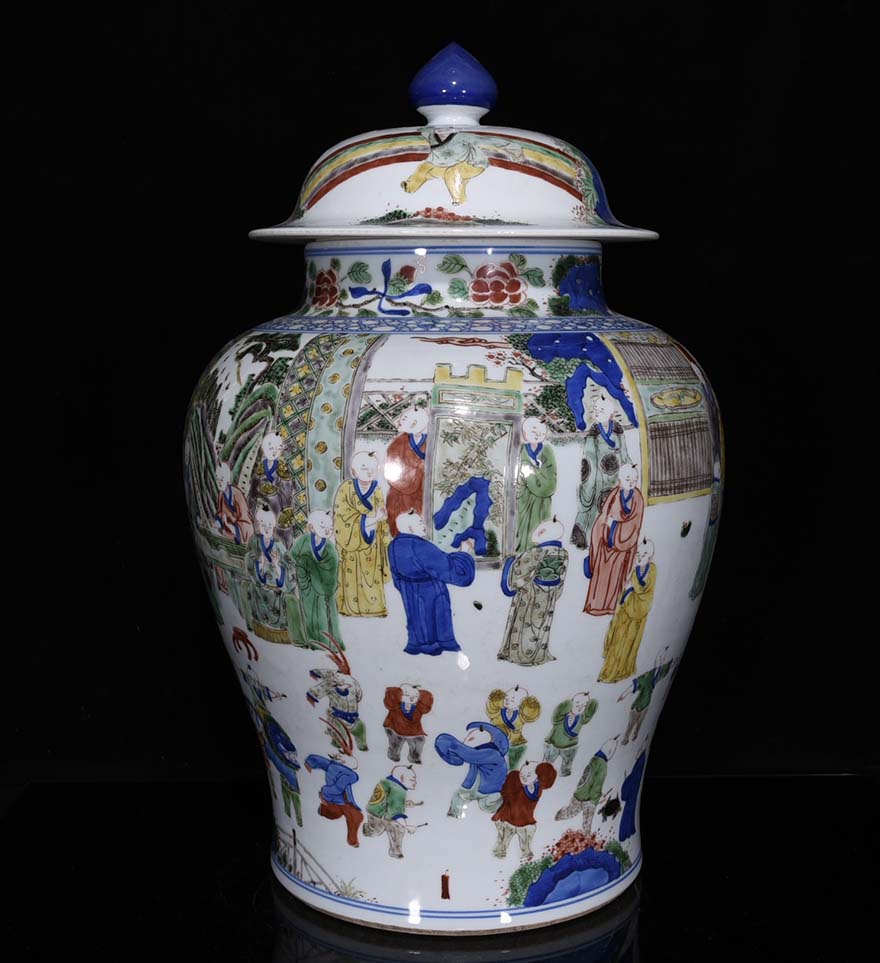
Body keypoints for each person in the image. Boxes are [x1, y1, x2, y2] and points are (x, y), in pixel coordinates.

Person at [389, 511, 476, 655]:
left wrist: (407, 588)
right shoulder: (420, 546)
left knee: (418, 621)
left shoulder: (394, 546)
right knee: (432, 621)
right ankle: (436, 646)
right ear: (410, 528)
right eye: (420, 523)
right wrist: (464, 552)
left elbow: (396, 578)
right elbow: (449, 570)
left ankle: (418, 645)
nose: (424, 525)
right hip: (431, 592)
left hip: (409, 593)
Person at [498, 518, 568, 666]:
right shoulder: (563, 553)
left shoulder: (536, 552)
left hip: (530, 593)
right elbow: (561, 576)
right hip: (549, 595)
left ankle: (520, 655)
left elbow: (517, 577)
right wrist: (555, 592)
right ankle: (537, 654)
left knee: (524, 624)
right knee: (541, 625)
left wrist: (510, 563)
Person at [333, 451, 392, 617]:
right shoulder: (345, 489)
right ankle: (349, 609)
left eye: (372, 468)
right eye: (364, 467)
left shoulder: (377, 490)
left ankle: (375, 609)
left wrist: (382, 522)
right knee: (352, 577)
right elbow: (342, 516)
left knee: (371, 576)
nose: (369, 471)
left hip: (372, 544)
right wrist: (372, 519)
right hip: (350, 543)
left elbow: (382, 515)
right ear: (354, 471)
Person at [401, 127, 525, 205]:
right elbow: (420, 132)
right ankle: (409, 188)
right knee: (424, 167)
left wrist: (514, 150)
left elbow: (488, 141)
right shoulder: (430, 133)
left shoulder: (463, 136)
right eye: (439, 129)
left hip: (471, 164)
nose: (442, 131)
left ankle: (459, 201)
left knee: (452, 173)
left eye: (447, 129)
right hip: (442, 164)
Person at [583, 464, 645, 616]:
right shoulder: (615, 494)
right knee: (602, 576)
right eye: (628, 479)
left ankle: (612, 607)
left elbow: (634, 525)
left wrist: (615, 526)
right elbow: (604, 516)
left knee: (616, 577)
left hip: (623, 547)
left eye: (635, 479)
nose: (631, 482)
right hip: (606, 544)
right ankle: (596, 605)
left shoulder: (638, 498)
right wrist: (602, 529)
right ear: (620, 480)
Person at [571, 394, 630, 549]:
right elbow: (589, 458)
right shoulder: (593, 434)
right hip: (597, 479)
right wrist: (590, 482)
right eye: (596, 410)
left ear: (611, 414)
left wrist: (628, 472)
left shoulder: (618, 431)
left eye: (601, 410)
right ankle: (589, 540)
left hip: (615, 478)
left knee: (613, 509)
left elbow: (624, 454)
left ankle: (609, 540)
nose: (597, 413)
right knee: (596, 509)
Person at [598, 538, 657, 683]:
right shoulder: (636, 569)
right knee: (617, 641)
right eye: (638, 554)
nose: (640, 557)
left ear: (650, 556)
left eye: (644, 554)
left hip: (637, 611)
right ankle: (609, 671)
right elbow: (627, 585)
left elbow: (645, 591)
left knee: (628, 644)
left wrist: (634, 584)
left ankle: (621, 671)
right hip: (625, 609)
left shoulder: (652, 570)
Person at [285, 510, 343, 650]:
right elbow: (291, 557)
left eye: (330, 527)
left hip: (325, 589)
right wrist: (300, 576)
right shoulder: (303, 540)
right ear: (311, 528)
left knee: (327, 616)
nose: (328, 530)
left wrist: (309, 564)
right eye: (323, 527)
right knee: (309, 616)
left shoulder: (330, 549)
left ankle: (332, 644)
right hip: (307, 589)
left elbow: (331, 570)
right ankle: (314, 643)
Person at [435, 722, 509, 819]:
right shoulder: (477, 752)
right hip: (474, 787)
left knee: (486, 805)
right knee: (458, 795)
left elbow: (469, 754)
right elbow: (466, 757)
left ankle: (502, 803)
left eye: (471, 739)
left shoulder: (492, 753)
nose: (466, 741)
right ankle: (454, 815)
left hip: (489, 790)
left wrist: (450, 743)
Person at [491, 761, 557, 860]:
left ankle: (525, 855)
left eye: (530, 775)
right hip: (508, 818)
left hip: (525, 822)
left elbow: (528, 798)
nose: (524, 773)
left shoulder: (535, 790)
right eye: (526, 765)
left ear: (537, 779)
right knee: (503, 839)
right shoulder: (514, 777)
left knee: (525, 844)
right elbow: (504, 791)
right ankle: (499, 851)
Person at [554, 737, 619, 834]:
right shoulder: (603, 766)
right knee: (587, 821)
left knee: (571, 812)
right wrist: (596, 798)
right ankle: (586, 836)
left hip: (579, 793)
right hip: (589, 799)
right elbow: (597, 784)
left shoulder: (594, 759)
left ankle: (557, 816)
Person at [245, 504, 290, 641]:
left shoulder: (278, 544)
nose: (266, 528)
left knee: (276, 597)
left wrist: (276, 566)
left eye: (269, 525)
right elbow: (249, 559)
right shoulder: (254, 542)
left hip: (275, 588)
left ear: (274, 526)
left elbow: (288, 566)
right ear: (258, 525)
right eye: (263, 525)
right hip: (259, 587)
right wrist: (259, 564)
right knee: (256, 592)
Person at [384, 408, 428, 537]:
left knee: (419, 527)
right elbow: (391, 469)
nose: (398, 421)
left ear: (414, 423)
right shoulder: (398, 443)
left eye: (403, 419)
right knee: (399, 528)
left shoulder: (431, 443)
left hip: (420, 495)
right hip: (399, 495)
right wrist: (419, 469)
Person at [515, 418, 557, 552]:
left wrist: (531, 472)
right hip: (524, 499)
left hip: (542, 500)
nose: (537, 434)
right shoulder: (520, 450)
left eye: (541, 432)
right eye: (533, 431)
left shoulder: (547, 450)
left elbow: (551, 479)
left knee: (540, 528)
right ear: (525, 434)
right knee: (522, 528)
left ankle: (537, 555)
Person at [304, 752, 363, 847]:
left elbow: (347, 778)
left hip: (339, 794)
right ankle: (352, 840)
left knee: (353, 815)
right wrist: (310, 762)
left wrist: (310, 761)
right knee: (353, 816)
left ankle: (352, 840)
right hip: (341, 799)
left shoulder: (329, 791)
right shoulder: (336, 799)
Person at [363, 765, 422, 858]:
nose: (415, 782)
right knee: (398, 827)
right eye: (412, 780)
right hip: (380, 815)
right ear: (402, 778)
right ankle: (395, 851)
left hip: (374, 812)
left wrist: (404, 803)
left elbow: (388, 799)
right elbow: (396, 814)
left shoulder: (387, 782)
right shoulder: (398, 790)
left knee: (375, 831)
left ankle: (368, 830)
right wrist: (407, 827)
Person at [618, 650, 674, 745]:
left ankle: (635, 735)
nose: (661, 660)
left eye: (663, 658)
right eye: (660, 658)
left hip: (647, 704)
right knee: (631, 723)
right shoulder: (647, 676)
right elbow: (635, 684)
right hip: (637, 705)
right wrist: (624, 695)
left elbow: (668, 666)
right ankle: (626, 738)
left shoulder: (658, 673)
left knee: (640, 722)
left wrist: (672, 662)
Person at [307, 668, 368, 752]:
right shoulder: (329, 685)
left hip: (353, 719)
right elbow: (312, 693)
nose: (341, 680)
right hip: (337, 718)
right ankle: (335, 748)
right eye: (337, 677)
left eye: (344, 678)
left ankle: (363, 748)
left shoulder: (353, 684)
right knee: (341, 736)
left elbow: (358, 697)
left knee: (361, 727)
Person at [249, 432, 294, 545]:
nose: (274, 451)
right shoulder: (260, 467)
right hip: (261, 505)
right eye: (270, 448)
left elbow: (287, 490)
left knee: (279, 529)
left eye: (277, 449)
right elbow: (253, 487)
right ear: (263, 449)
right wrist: (254, 498)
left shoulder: (282, 468)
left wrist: (274, 495)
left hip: (277, 505)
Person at [485, 686, 542, 771]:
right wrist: (495, 698)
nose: (507, 701)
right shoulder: (498, 711)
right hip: (497, 743)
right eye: (506, 698)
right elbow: (491, 708)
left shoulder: (521, 716)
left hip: (515, 744)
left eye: (512, 700)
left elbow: (530, 716)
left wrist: (531, 706)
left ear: (521, 705)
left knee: (512, 767)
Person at [543, 691, 598, 777]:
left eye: (584, 705)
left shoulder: (581, 718)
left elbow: (589, 714)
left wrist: (592, 703)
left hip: (570, 746)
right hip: (553, 743)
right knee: (546, 764)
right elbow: (555, 717)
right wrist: (567, 704)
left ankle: (564, 776)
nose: (580, 707)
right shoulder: (561, 716)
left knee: (566, 767)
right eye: (577, 704)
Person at [690, 456, 722, 599]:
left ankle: (696, 588)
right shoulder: (715, 487)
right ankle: (696, 587)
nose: (717, 471)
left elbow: (714, 508)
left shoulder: (716, 487)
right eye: (716, 469)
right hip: (710, 525)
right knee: (705, 557)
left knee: (706, 556)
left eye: (718, 469)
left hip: (711, 526)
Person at [383, 683, 434, 764]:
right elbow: (389, 700)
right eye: (407, 695)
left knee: (419, 741)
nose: (411, 698)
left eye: (415, 696)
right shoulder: (395, 705)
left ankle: (414, 758)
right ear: (399, 696)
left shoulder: (419, 707)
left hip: (412, 731)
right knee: (395, 742)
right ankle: (393, 755)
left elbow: (426, 708)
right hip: (395, 728)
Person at [214, 461, 254, 546]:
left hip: (242, 528)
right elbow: (220, 512)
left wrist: (234, 528)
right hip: (228, 524)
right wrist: (218, 521)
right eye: (217, 479)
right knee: (220, 531)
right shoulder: (221, 494)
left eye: (221, 479)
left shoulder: (237, 494)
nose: (219, 482)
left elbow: (244, 517)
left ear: (227, 480)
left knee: (229, 534)